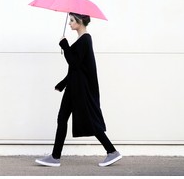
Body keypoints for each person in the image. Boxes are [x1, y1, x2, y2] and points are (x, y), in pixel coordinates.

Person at [35, 12, 122, 167]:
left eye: (72, 20)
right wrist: (63, 84)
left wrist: (65, 46)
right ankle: (55, 157)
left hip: (81, 89)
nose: (69, 23)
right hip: (74, 87)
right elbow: (77, 69)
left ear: (80, 22)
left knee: (90, 119)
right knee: (62, 119)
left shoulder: (85, 40)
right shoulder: (82, 40)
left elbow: (74, 63)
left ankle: (112, 151)